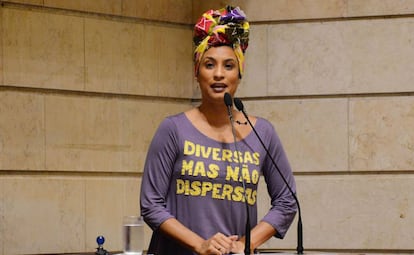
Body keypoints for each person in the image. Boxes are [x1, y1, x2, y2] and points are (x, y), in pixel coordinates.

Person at [140, 6, 297, 255]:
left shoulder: (262, 132)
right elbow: (151, 205)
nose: (219, 74)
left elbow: (287, 202)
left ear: (239, 73)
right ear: (197, 73)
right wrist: (199, 244)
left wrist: (247, 243)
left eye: (229, 66)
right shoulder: (173, 129)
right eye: (209, 64)